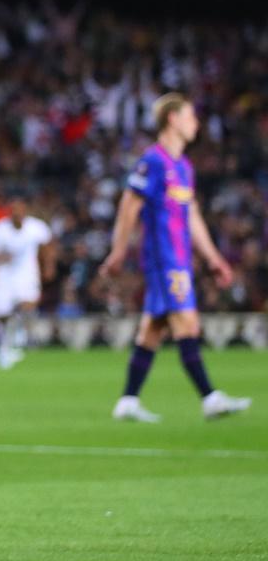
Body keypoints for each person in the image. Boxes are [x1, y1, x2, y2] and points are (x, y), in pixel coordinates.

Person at [100, 93, 250, 422]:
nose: (196, 123)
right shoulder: (153, 161)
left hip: (179, 258)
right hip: (163, 259)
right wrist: (119, 250)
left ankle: (128, 401)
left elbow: (192, 215)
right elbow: (130, 204)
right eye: (190, 116)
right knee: (187, 323)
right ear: (173, 119)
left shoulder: (184, 167)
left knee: (152, 330)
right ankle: (210, 398)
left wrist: (214, 258)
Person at [0, 195, 53, 370]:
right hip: (4, 274)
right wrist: (1, 257)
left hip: (26, 273)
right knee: (2, 314)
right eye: (13, 211)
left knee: (27, 304)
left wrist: (48, 267)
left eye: (20, 210)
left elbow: (47, 245)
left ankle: (16, 337)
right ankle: (6, 345)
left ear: (25, 211)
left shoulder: (36, 227)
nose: (17, 214)